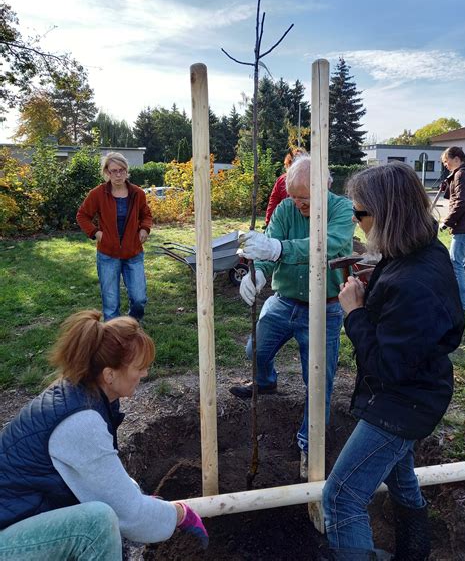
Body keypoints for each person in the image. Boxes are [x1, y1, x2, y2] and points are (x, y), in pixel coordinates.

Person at [322, 162, 464, 560]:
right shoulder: (417, 252)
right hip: (417, 392)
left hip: (401, 402)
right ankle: (413, 553)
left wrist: (355, 313)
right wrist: (377, 295)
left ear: (387, 214)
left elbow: (388, 366)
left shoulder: (413, 282)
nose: (355, 221)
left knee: (340, 497)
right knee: (400, 478)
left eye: (360, 214)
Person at [0, 310, 208, 559]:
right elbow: (130, 516)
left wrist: (136, 496)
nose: (145, 374)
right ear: (109, 375)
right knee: (97, 525)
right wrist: (179, 514)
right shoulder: (80, 422)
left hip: (18, 517)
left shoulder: (83, 394)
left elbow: (104, 479)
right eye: (140, 367)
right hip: (7, 539)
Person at [231, 154, 354, 478]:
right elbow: (269, 251)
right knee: (255, 349)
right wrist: (257, 274)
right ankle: (266, 380)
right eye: (294, 197)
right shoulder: (285, 208)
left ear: (325, 188)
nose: (298, 204)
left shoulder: (340, 209)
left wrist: (280, 250)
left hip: (324, 307)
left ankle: (308, 445)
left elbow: (332, 244)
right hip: (284, 300)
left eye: (305, 198)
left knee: (319, 382)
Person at [77, 152, 152, 322]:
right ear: (107, 173)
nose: (118, 175)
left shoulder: (137, 193)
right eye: (113, 171)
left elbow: (146, 214)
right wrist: (96, 233)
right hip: (108, 255)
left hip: (133, 253)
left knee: (139, 299)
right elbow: (82, 215)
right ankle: (113, 337)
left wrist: (145, 229)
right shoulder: (98, 194)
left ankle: (131, 324)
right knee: (111, 305)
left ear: (127, 171)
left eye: (121, 170)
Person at [440, 146, 465, 311]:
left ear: (456, 159)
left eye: (446, 161)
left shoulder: (461, 174)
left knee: (456, 263)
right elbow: (458, 195)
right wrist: (447, 185)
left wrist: (447, 222)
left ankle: (461, 305)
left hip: (464, 227)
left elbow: (462, 201)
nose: (445, 164)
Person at [265, 148, 306, 226]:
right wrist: (269, 222)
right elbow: (274, 200)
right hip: (285, 220)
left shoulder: (310, 180)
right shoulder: (282, 180)